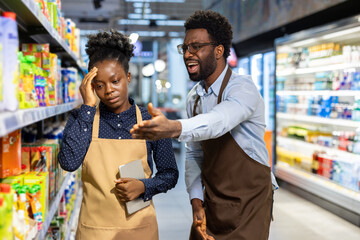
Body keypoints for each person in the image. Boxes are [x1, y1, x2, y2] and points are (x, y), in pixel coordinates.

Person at [131, 10, 278, 240]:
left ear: (219, 50)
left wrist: (174, 128)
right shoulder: (195, 98)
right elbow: (195, 154)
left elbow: (218, 121)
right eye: (185, 47)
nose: (188, 54)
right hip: (213, 202)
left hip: (250, 205)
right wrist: (196, 201)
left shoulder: (242, 89)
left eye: (196, 47)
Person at [59, 30, 178, 240]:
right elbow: (69, 162)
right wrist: (88, 106)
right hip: (94, 231)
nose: (109, 90)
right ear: (90, 86)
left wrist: (144, 186)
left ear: (128, 77)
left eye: (115, 81)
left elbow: (169, 173)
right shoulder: (82, 118)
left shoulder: (149, 120)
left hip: (140, 230)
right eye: (99, 85)